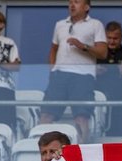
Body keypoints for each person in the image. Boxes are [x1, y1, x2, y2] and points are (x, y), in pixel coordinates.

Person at [40, 0, 108, 143]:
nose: (72, 5)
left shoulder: (96, 24)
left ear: (87, 7)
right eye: (70, 2)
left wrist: (83, 46)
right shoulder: (60, 24)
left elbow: (103, 53)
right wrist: (52, 69)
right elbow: (53, 49)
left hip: (82, 76)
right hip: (59, 76)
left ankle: (82, 154)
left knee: (81, 116)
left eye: (76, 2)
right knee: (47, 114)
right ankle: (40, 152)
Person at [95, 21, 122, 136]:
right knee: (98, 137)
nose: (112, 41)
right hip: (100, 104)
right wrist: (94, 72)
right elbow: (83, 77)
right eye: (109, 38)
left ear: (121, 38)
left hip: (121, 104)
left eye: (115, 38)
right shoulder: (97, 55)